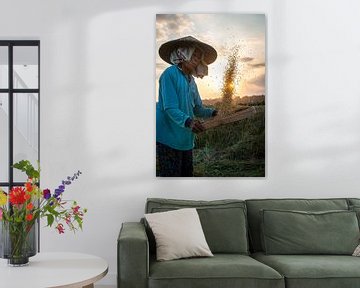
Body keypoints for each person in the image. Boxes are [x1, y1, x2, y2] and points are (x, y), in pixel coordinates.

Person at [156, 36, 218, 177]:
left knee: (186, 176)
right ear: (183, 54)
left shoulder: (192, 82)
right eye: (193, 54)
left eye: (199, 56)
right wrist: (189, 122)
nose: (197, 58)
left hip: (185, 139)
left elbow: (198, 109)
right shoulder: (170, 74)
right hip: (169, 138)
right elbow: (170, 108)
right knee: (172, 178)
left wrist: (214, 112)